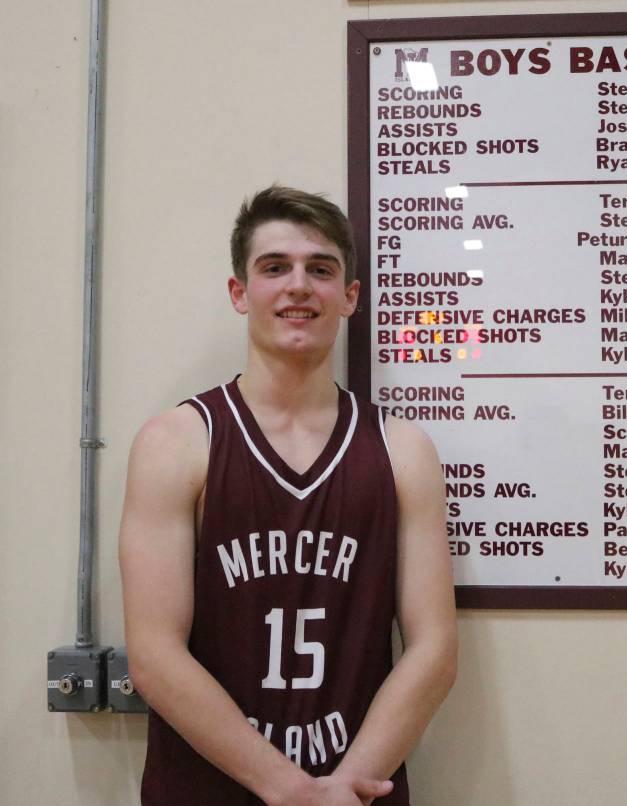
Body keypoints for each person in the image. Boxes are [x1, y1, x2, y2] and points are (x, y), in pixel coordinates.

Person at [119, 185, 457, 805]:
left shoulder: (403, 451)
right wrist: (293, 791)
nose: (298, 285)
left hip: (355, 789)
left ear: (349, 297)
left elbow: (434, 649)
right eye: (275, 268)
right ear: (240, 293)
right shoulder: (175, 443)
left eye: (320, 269)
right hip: (205, 789)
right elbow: (154, 656)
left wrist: (341, 791)